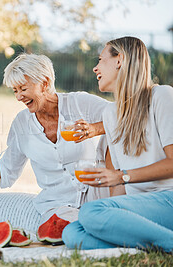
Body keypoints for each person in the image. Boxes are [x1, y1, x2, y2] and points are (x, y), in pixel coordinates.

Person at [0, 53, 110, 227]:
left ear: (44, 83)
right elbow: (6, 169)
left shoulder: (79, 103)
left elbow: (124, 118)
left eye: (23, 89)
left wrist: (94, 129)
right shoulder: (21, 124)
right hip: (58, 205)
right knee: (78, 229)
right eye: (15, 91)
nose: (18, 97)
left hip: (97, 192)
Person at [62, 36, 173, 252]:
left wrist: (122, 175)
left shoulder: (162, 96)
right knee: (73, 233)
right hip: (138, 207)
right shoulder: (111, 114)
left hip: (168, 199)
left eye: (101, 60)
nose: (95, 68)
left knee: (90, 213)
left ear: (119, 60)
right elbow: (119, 188)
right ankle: (152, 242)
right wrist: (111, 189)